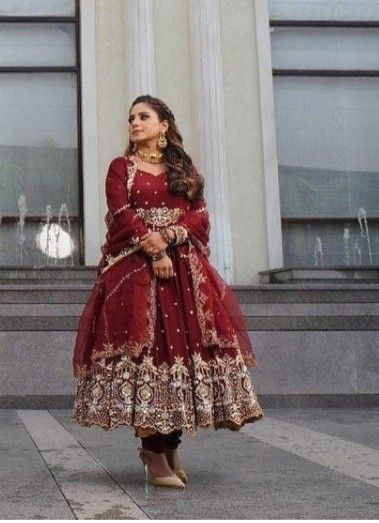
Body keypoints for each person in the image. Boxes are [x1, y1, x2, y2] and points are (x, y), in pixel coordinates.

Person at [71, 94, 264, 489]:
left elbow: (200, 214)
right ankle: (153, 451)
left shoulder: (183, 168)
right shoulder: (120, 168)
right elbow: (121, 214)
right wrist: (154, 246)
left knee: (181, 355)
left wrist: (171, 237)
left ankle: (171, 443)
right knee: (149, 355)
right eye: (131, 118)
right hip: (134, 275)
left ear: (164, 126)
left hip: (184, 276)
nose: (135, 123)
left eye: (144, 117)